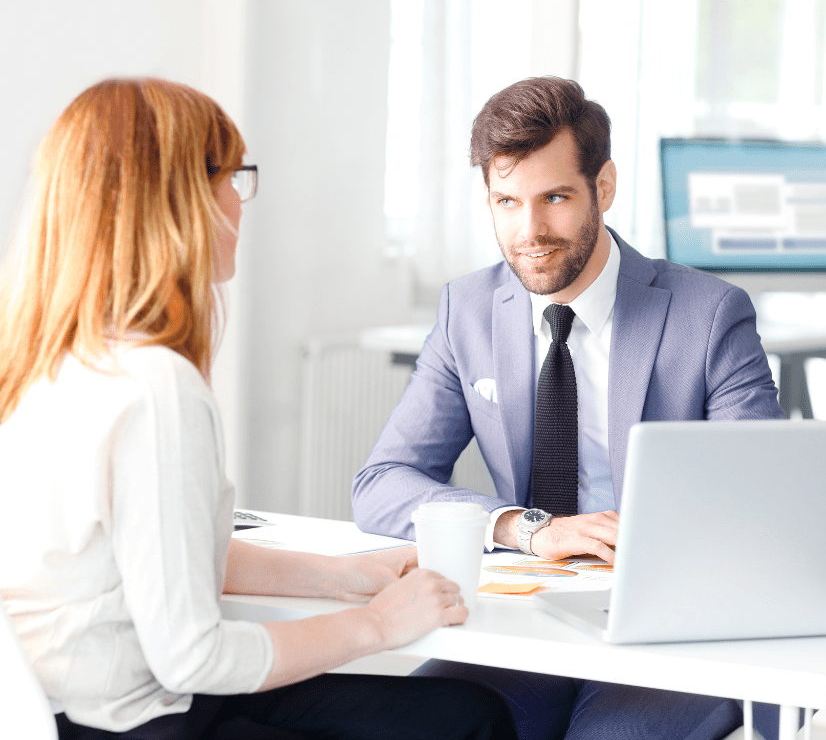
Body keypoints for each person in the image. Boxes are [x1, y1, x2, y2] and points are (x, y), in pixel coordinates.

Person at [0, 78, 516, 740]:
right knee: (470, 720)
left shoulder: (44, 362)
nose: (240, 204)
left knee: (460, 713)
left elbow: (167, 550)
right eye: (232, 178)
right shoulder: (155, 386)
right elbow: (194, 653)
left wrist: (341, 576)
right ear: (180, 198)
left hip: (60, 710)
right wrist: (380, 624)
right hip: (141, 719)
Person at [352, 77, 786, 740]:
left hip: (669, 632)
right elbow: (383, 484)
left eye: (555, 198)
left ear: (603, 188)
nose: (530, 232)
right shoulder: (465, 312)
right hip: (530, 620)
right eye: (506, 201)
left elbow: (760, 501)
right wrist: (525, 526)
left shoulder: (708, 315)